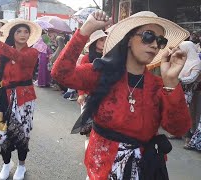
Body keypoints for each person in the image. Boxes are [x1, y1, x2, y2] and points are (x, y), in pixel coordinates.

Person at [51, 10, 192, 180]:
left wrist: (171, 82)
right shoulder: (101, 73)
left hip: (144, 169)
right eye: (149, 36)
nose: (155, 45)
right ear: (129, 39)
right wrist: (85, 30)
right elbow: (61, 73)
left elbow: (178, 128)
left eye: (160, 41)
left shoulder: (158, 85)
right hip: (101, 167)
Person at [0, 19, 41, 180]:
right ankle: (6, 163)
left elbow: (20, 58)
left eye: (26, 32)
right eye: (19, 31)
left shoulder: (32, 53)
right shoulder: (5, 51)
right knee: (1, 134)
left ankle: (21, 166)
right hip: (4, 97)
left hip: (24, 99)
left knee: (22, 134)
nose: (23, 34)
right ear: (13, 34)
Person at [75, 30, 107, 152]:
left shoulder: (109, 57)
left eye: (105, 40)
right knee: (88, 126)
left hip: (104, 96)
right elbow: (80, 79)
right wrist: (81, 94)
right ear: (94, 42)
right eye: (101, 40)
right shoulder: (87, 58)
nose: (104, 42)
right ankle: (89, 150)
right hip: (89, 95)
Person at [178, 41, 201, 149]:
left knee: (188, 114)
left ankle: (188, 137)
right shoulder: (185, 60)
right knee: (179, 113)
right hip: (180, 91)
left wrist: (178, 79)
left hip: (189, 93)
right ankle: (178, 132)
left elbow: (192, 78)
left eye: (182, 48)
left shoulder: (197, 62)